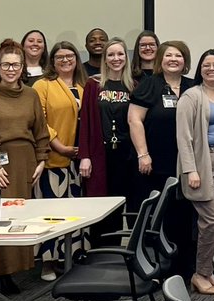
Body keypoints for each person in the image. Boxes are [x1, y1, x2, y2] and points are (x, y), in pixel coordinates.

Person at [0, 39, 50, 293]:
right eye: (6, 64)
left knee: (21, 216)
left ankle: (15, 270)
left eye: (16, 64)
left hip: (26, 161)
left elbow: (40, 131)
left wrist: (42, 160)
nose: (11, 69)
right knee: (0, 217)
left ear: (23, 66)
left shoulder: (31, 94)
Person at [176, 50, 214, 295]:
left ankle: (208, 270)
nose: (212, 68)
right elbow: (183, 137)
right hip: (203, 165)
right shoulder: (191, 96)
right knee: (211, 220)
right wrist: (190, 169)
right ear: (200, 69)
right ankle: (199, 273)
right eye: (206, 65)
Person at [33, 41, 88, 281]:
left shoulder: (85, 86)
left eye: (70, 56)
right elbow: (40, 121)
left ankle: (71, 258)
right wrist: (60, 146)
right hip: (54, 159)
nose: (65, 60)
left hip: (78, 161)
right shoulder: (43, 85)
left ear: (77, 59)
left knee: (74, 212)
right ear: (52, 61)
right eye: (59, 57)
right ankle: (47, 262)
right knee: (51, 213)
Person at [129, 40, 195, 215]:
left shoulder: (194, 86)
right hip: (153, 164)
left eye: (178, 55)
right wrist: (143, 154)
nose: (173, 59)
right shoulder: (149, 85)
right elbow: (134, 120)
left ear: (185, 61)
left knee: (182, 215)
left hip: (185, 163)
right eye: (169, 55)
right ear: (160, 59)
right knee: (156, 213)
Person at [78, 38, 136, 237]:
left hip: (126, 155)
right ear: (104, 59)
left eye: (120, 54)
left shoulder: (133, 87)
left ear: (126, 58)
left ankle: (119, 250)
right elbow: (84, 122)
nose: (116, 58)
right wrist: (84, 156)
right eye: (111, 54)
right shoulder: (93, 85)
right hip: (100, 154)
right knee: (101, 203)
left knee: (123, 202)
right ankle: (99, 251)